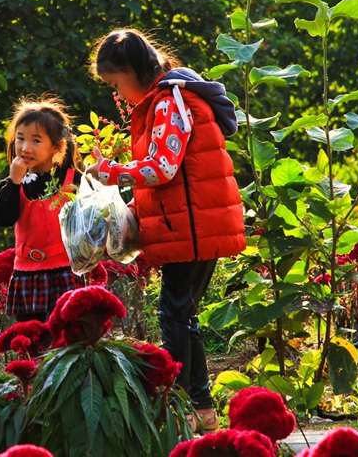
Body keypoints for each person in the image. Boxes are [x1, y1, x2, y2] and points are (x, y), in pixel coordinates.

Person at [86, 28, 246, 433]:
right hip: (193, 223)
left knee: (173, 315)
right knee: (181, 314)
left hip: (193, 227)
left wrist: (110, 171)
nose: (117, 95)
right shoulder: (165, 99)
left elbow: (162, 168)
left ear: (131, 70)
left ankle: (179, 404)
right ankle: (199, 408)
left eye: (115, 84)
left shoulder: (170, 102)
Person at [0, 95, 85, 322]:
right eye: (20, 139)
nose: (25, 147)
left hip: (64, 269)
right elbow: (3, 218)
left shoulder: (73, 180)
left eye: (36, 140)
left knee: (66, 335)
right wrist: (13, 182)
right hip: (27, 272)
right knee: (31, 338)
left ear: (57, 146)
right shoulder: (14, 182)